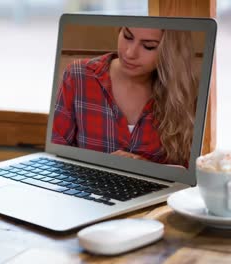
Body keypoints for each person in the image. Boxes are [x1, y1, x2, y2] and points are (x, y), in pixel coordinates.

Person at [52, 27, 198, 167]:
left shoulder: (181, 93)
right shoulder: (79, 75)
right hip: (85, 189)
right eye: (127, 36)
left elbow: (187, 171)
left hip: (158, 192)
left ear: (171, 52)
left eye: (148, 46)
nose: (130, 53)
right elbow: (56, 151)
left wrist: (148, 168)